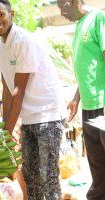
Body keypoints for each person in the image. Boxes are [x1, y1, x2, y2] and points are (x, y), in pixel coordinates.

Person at [0, 0, 63, 199]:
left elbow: (18, 91)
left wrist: (7, 131)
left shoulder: (23, 41)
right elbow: (7, 92)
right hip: (28, 119)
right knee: (30, 176)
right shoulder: (1, 47)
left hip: (47, 116)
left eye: (1, 14)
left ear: (11, 14)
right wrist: (5, 128)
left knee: (48, 177)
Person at [57, 0, 105, 199]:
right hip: (89, 105)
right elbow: (86, 67)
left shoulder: (98, 18)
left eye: (63, 6)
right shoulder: (79, 26)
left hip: (103, 103)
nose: (62, 12)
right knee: (96, 162)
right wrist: (76, 98)